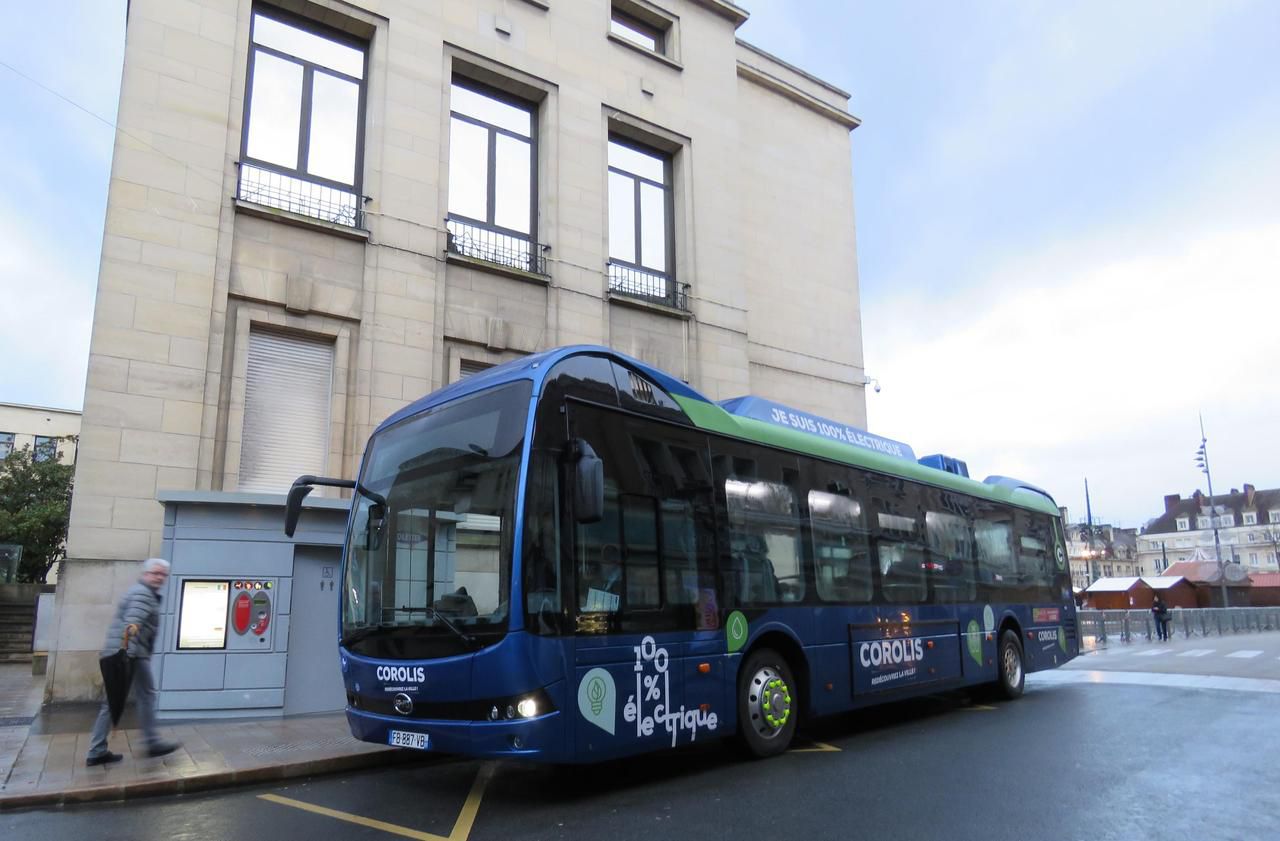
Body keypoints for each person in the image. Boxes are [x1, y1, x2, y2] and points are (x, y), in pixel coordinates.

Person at [85, 558, 181, 766]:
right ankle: (151, 742)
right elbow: (132, 625)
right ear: (145, 574)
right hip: (131, 654)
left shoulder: (142, 592)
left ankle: (97, 750)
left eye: (163, 574)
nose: (159, 577)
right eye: (155, 573)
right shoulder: (142, 594)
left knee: (113, 701)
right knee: (142, 696)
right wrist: (129, 656)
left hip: (128, 653)